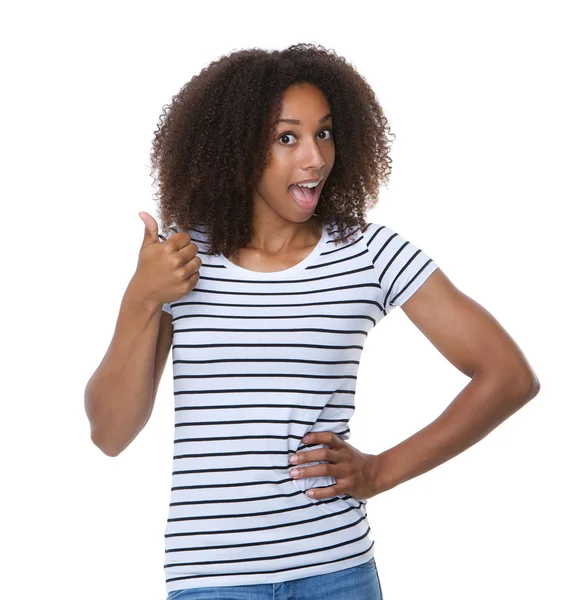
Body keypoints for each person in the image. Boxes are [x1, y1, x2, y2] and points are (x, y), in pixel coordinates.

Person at [84, 43, 540, 600]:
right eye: (287, 138)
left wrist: (380, 472)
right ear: (235, 149)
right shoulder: (183, 256)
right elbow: (109, 434)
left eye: (323, 133)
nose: (315, 159)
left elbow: (508, 376)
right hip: (213, 581)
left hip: (338, 573)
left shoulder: (370, 254)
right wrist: (141, 298)